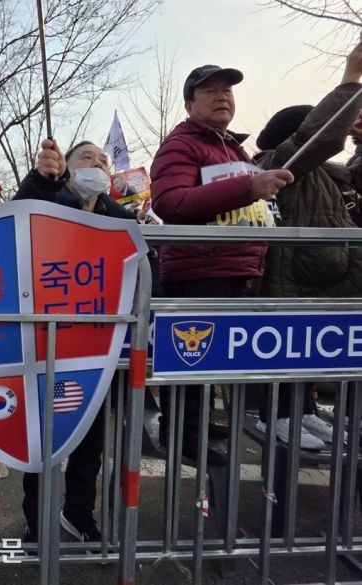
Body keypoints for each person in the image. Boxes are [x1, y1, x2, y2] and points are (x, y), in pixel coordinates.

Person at [150, 64, 294, 464]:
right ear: (189, 104)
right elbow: (170, 203)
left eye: (227, 90)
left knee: (210, 361)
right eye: (210, 90)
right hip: (199, 270)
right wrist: (248, 187)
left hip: (234, 268)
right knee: (191, 358)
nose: (222, 96)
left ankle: (195, 424)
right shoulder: (180, 145)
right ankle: (182, 437)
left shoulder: (232, 147)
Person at [14, 139, 135, 544]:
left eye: (103, 161)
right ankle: (35, 519)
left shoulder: (119, 219)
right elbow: (18, 216)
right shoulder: (45, 199)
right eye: (86, 157)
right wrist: (41, 180)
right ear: (65, 168)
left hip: (97, 348)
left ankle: (78, 514)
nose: (97, 164)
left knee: (91, 441)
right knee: (42, 438)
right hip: (45, 345)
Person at [252, 42, 362, 447]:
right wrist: (351, 79)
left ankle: (304, 411)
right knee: (284, 347)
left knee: (307, 355)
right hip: (291, 280)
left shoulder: (332, 174)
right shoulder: (276, 162)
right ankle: (276, 416)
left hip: (329, 283)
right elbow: (317, 138)